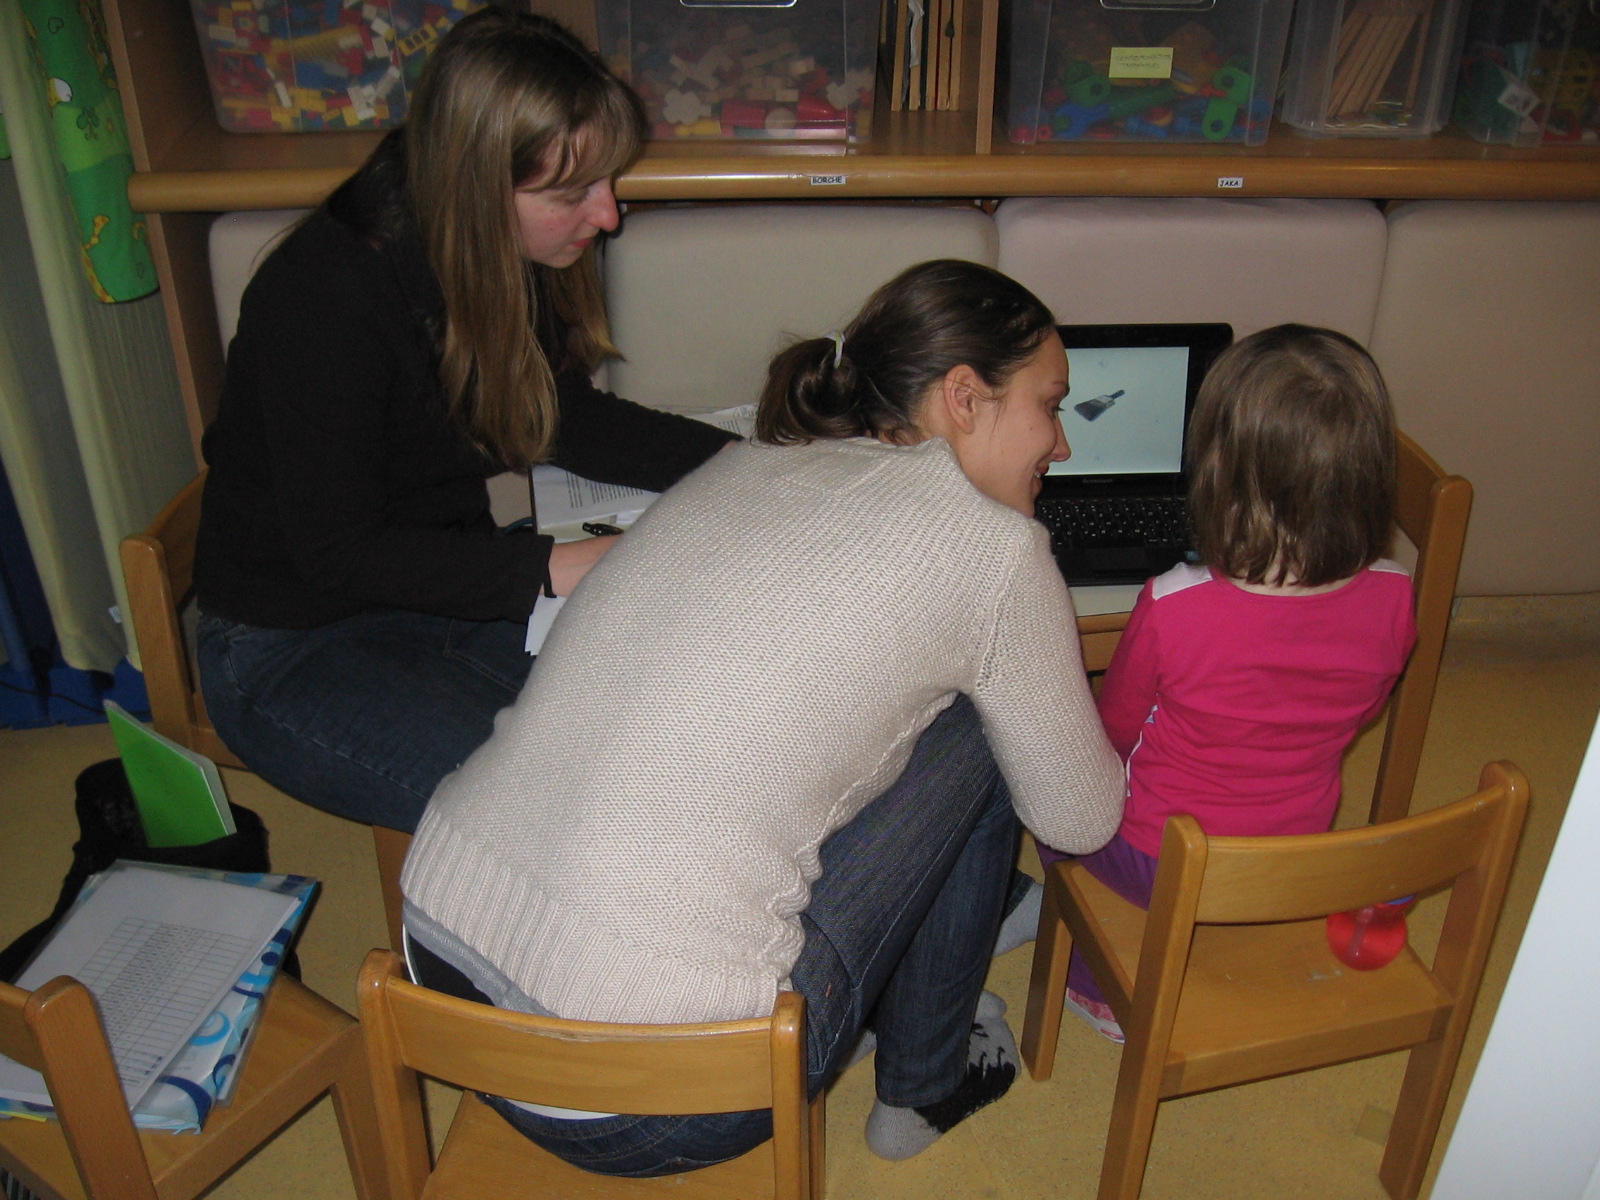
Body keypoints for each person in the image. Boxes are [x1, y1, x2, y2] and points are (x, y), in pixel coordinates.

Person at [399, 259, 1127, 1173]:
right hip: (654, 1098)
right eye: (1050, 406)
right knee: (984, 726)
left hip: (439, 972)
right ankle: (926, 1082)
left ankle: (902, 991)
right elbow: (1078, 819)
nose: (1061, 445)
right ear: (963, 397)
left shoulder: (748, 462)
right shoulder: (994, 550)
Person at [193, 8, 735, 833]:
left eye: (606, 182)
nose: (608, 216)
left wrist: (754, 466)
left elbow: (563, 418)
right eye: (572, 193)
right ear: (477, 186)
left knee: (692, 730)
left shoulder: (490, 249)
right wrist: (565, 566)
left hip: (440, 589)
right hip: (289, 642)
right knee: (580, 822)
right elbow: (339, 552)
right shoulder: (323, 298)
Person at [1036, 323, 1418, 1043]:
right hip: (1296, 853)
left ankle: (1094, 985)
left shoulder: (1174, 603)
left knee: (1054, 806)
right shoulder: (1398, 594)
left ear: (1216, 471)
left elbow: (1114, 730)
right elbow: (1363, 706)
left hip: (1158, 864)